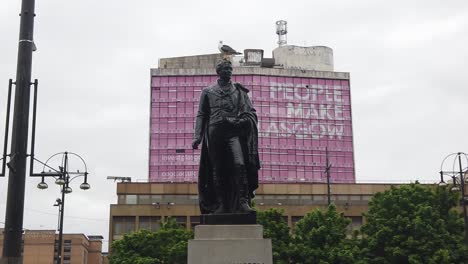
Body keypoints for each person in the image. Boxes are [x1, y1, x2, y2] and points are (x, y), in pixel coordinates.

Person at [192, 60, 260, 214]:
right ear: (219, 71)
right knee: (218, 169)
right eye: (225, 69)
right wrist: (198, 136)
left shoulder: (239, 91)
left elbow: (250, 111)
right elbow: (201, 115)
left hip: (233, 132)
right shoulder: (208, 92)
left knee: (239, 164)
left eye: (230, 68)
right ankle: (221, 204)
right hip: (215, 132)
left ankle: (243, 202)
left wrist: (242, 121)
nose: (229, 71)